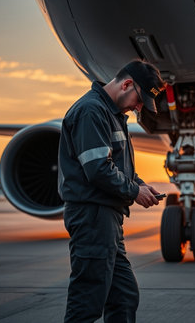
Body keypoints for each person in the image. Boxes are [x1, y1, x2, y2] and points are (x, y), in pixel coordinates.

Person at [58, 59, 166, 322]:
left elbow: (114, 164)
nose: (139, 108)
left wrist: (138, 184)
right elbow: (97, 170)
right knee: (88, 300)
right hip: (92, 217)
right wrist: (134, 192)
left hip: (107, 220)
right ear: (127, 84)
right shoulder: (91, 111)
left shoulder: (112, 114)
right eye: (139, 101)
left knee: (124, 296)